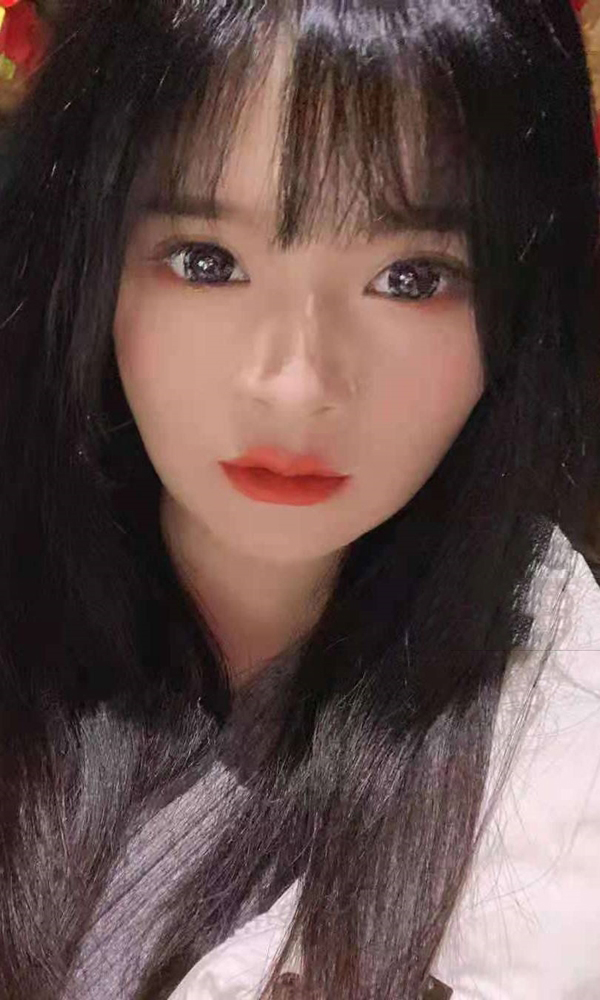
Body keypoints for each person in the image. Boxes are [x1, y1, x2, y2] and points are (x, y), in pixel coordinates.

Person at [0, 0, 599, 997]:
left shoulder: (554, 747)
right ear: (86, 260)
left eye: (412, 278)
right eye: (207, 261)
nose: (296, 385)